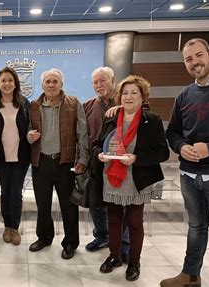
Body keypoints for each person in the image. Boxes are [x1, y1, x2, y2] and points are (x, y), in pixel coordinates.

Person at [162, 38, 209, 287]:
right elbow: (172, 133)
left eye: (198, 55)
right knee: (196, 227)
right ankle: (190, 275)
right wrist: (182, 148)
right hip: (189, 175)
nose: (195, 62)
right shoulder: (184, 95)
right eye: (188, 59)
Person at [96, 75, 169, 281]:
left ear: (143, 96)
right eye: (125, 93)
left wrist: (136, 158)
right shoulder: (111, 118)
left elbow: (162, 152)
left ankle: (134, 262)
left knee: (135, 222)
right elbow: (97, 143)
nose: (128, 97)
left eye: (134, 93)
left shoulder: (151, 120)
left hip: (137, 178)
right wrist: (99, 155)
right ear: (119, 96)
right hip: (112, 178)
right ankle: (114, 256)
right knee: (113, 221)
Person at [27, 68, 89, 259]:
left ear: (61, 84)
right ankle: (44, 237)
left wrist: (83, 159)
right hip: (41, 162)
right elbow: (28, 128)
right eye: (48, 82)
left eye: (55, 81)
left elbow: (82, 133)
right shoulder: (34, 105)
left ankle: (70, 242)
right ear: (42, 85)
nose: (51, 85)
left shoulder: (73, 103)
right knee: (43, 204)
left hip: (65, 162)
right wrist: (29, 136)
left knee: (68, 206)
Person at [83, 67, 130, 262]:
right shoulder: (87, 106)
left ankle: (124, 244)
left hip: (121, 164)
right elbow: (82, 136)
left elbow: (143, 118)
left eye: (103, 80)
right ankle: (102, 236)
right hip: (96, 161)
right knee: (96, 203)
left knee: (121, 204)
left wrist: (122, 109)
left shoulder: (126, 103)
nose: (99, 85)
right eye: (95, 82)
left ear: (113, 81)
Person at [0, 67, 31, 245]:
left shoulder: (25, 103)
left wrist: (32, 134)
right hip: (0, 156)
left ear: (16, 83)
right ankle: (6, 227)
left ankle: (15, 228)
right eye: (3, 80)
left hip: (21, 156)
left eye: (10, 80)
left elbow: (30, 126)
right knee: (5, 191)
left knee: (16, 192)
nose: (7, 83)